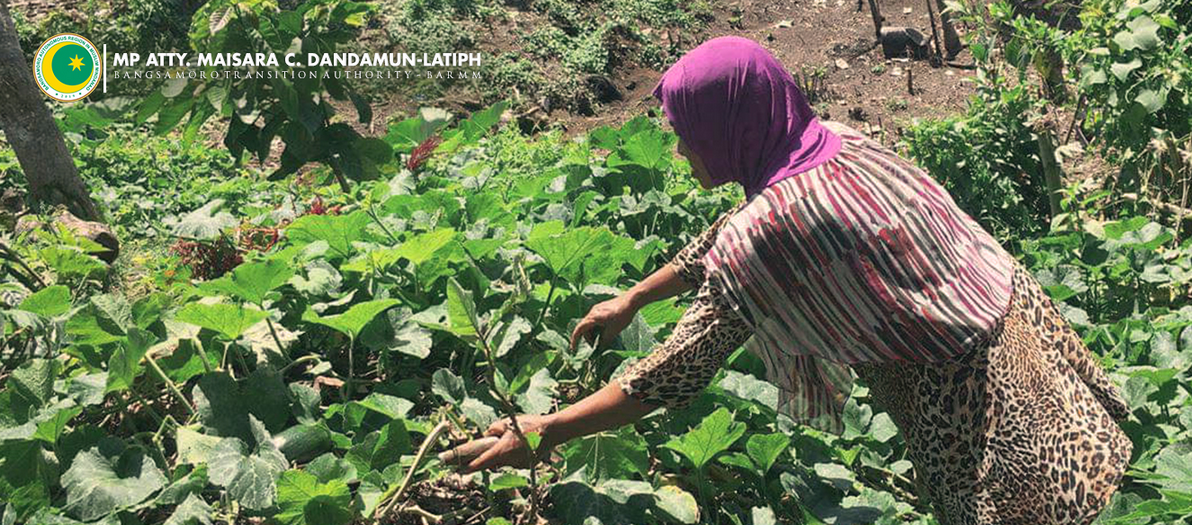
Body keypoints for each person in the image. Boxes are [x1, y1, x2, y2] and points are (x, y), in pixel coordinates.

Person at [461, 36, 1133, 525]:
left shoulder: (767, 234)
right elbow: (732, 230)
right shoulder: (827, 141)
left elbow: (673, 370)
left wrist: (546, 428)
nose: (680, 148)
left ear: (730, 126)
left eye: (685, 132)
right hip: (1015, 327)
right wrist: (637, 296)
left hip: (972, 401)